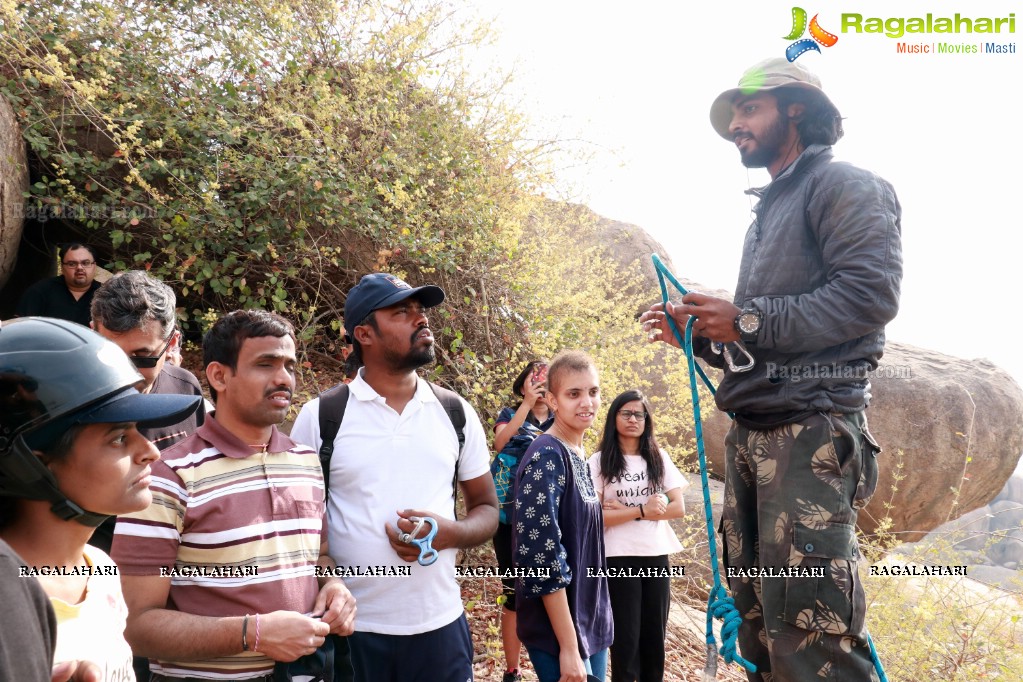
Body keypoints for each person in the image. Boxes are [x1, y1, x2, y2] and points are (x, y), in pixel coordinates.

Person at [641, 57, 902, 681]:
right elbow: (767, 342)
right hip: (754, 436)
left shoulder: (847, 185)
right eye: (733, 116)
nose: (735, 125)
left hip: (811, 433)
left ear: (795, 109)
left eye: (747, 109)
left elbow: (869, 297)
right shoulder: (768, 214)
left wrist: (747, 318)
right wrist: (700, 340)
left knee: (813, 635)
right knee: (760, 627)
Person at [111, 310, 356, 681]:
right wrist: (251, 634)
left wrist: (333, 585)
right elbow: (133, 626)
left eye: (289, 365)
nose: (283, 378)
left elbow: (319, 557)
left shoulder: (305, 461)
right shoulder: (167, 476)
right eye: (265, 364)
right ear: (219, 375)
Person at [290, 272, 498, 682]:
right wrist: (328, 578)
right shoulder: (321, 418)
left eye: (421, 310)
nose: (421, 320)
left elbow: (488, 508)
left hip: (441, 629)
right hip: (352, 633)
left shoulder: (456, 413)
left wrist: (448, 532)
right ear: (364, 333)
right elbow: (298, 532)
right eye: (402, 312)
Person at [0, 316, 202, 681]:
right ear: (32, 465)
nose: (150, 452)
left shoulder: (101, 570)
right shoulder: (7, 603)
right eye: (118, 438)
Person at [88, 270, 206, 555]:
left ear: (173, 343)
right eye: (111, 353)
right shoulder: (66, 400)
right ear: (92, 332)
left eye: (142, 357)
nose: (126, 371)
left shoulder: (185, 390)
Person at [513, 350, 613, 682]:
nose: (587, 402)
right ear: (553, 401)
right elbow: (542, 559)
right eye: (574, 394)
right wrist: (569, 647)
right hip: (560, 635)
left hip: (589, 624)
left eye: (593, 392)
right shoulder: (546, 456)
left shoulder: (576, 453)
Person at [587, 390, 687, 682]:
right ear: (613, 417)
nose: (633, 419)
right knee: (626, 639)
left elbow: (678, 508)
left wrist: (630, 511)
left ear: (647, 420)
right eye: (626, 413)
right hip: (618, 556)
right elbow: (595, 516)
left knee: (654, 637)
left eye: (639, 414)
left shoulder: (659, 458)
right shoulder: (598, 461)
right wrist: (643, 509)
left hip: (655, 553)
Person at [491, 360, 552, 682]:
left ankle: (552, 664)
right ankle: (512, 671)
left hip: (550, 518)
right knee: (514, 593)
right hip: (509, 518)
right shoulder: (509, 414)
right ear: (522, 385)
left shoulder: (562, 418)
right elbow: (501, 443)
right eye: (534, 377)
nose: (540, 383)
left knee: (551, 590)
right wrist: (527, 404)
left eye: (546, 377)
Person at [16, 243, 102, 326]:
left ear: (94, 266)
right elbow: (22, 328)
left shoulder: (106, 295)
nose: (79, 268)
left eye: (85, 263)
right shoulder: (40, 292)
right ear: (62, 267)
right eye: (72, 264)